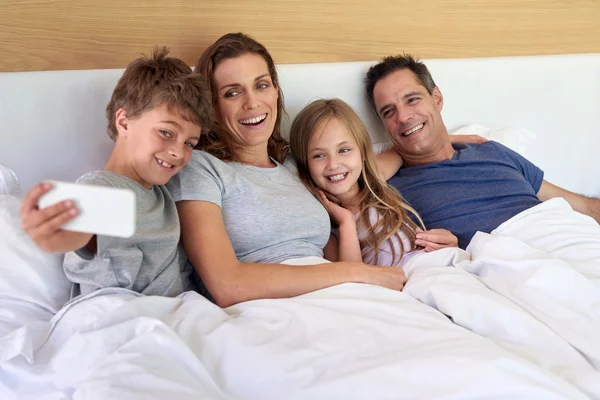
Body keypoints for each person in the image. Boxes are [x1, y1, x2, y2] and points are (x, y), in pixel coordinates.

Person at [166, 33, 409, 308]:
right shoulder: (200, 169)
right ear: (211, 106)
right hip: (266, 310)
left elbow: (362, 168)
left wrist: (445, 139)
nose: (252, 103)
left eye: (261, 85)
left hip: (335, 299)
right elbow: (227, 286)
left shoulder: (295, 166)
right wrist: (355, 273)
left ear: (275, 91)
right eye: (232, 93)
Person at [19, 48, 213, 298]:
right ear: (124, 122)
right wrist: (56, 235)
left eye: (190, 143)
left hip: (170, 315)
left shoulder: (162, 195)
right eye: (166, 132)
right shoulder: (105, 188)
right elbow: (84, 229)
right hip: (117, 317)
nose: (178, 152)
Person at [365, 54, 600, 248]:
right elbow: (353, 179)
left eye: (412, 99)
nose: (403, 117)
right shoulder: (389, 186)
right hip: (500, 259)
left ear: (436, 98)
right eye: (388, 112)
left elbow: (582, 206)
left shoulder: (492, 151)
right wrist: (407, 145)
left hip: (564, 237)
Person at [289, 98, 461, 268]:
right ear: (305, 164)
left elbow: (405, 148)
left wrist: (452, 138)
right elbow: (351, 276)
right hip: (409, 278)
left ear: (363, 152)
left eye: (344, 150)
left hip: (435, 261)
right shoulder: (325, 223)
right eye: (319, 155)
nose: (333, 164)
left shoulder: (374, 179)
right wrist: (346, 222)